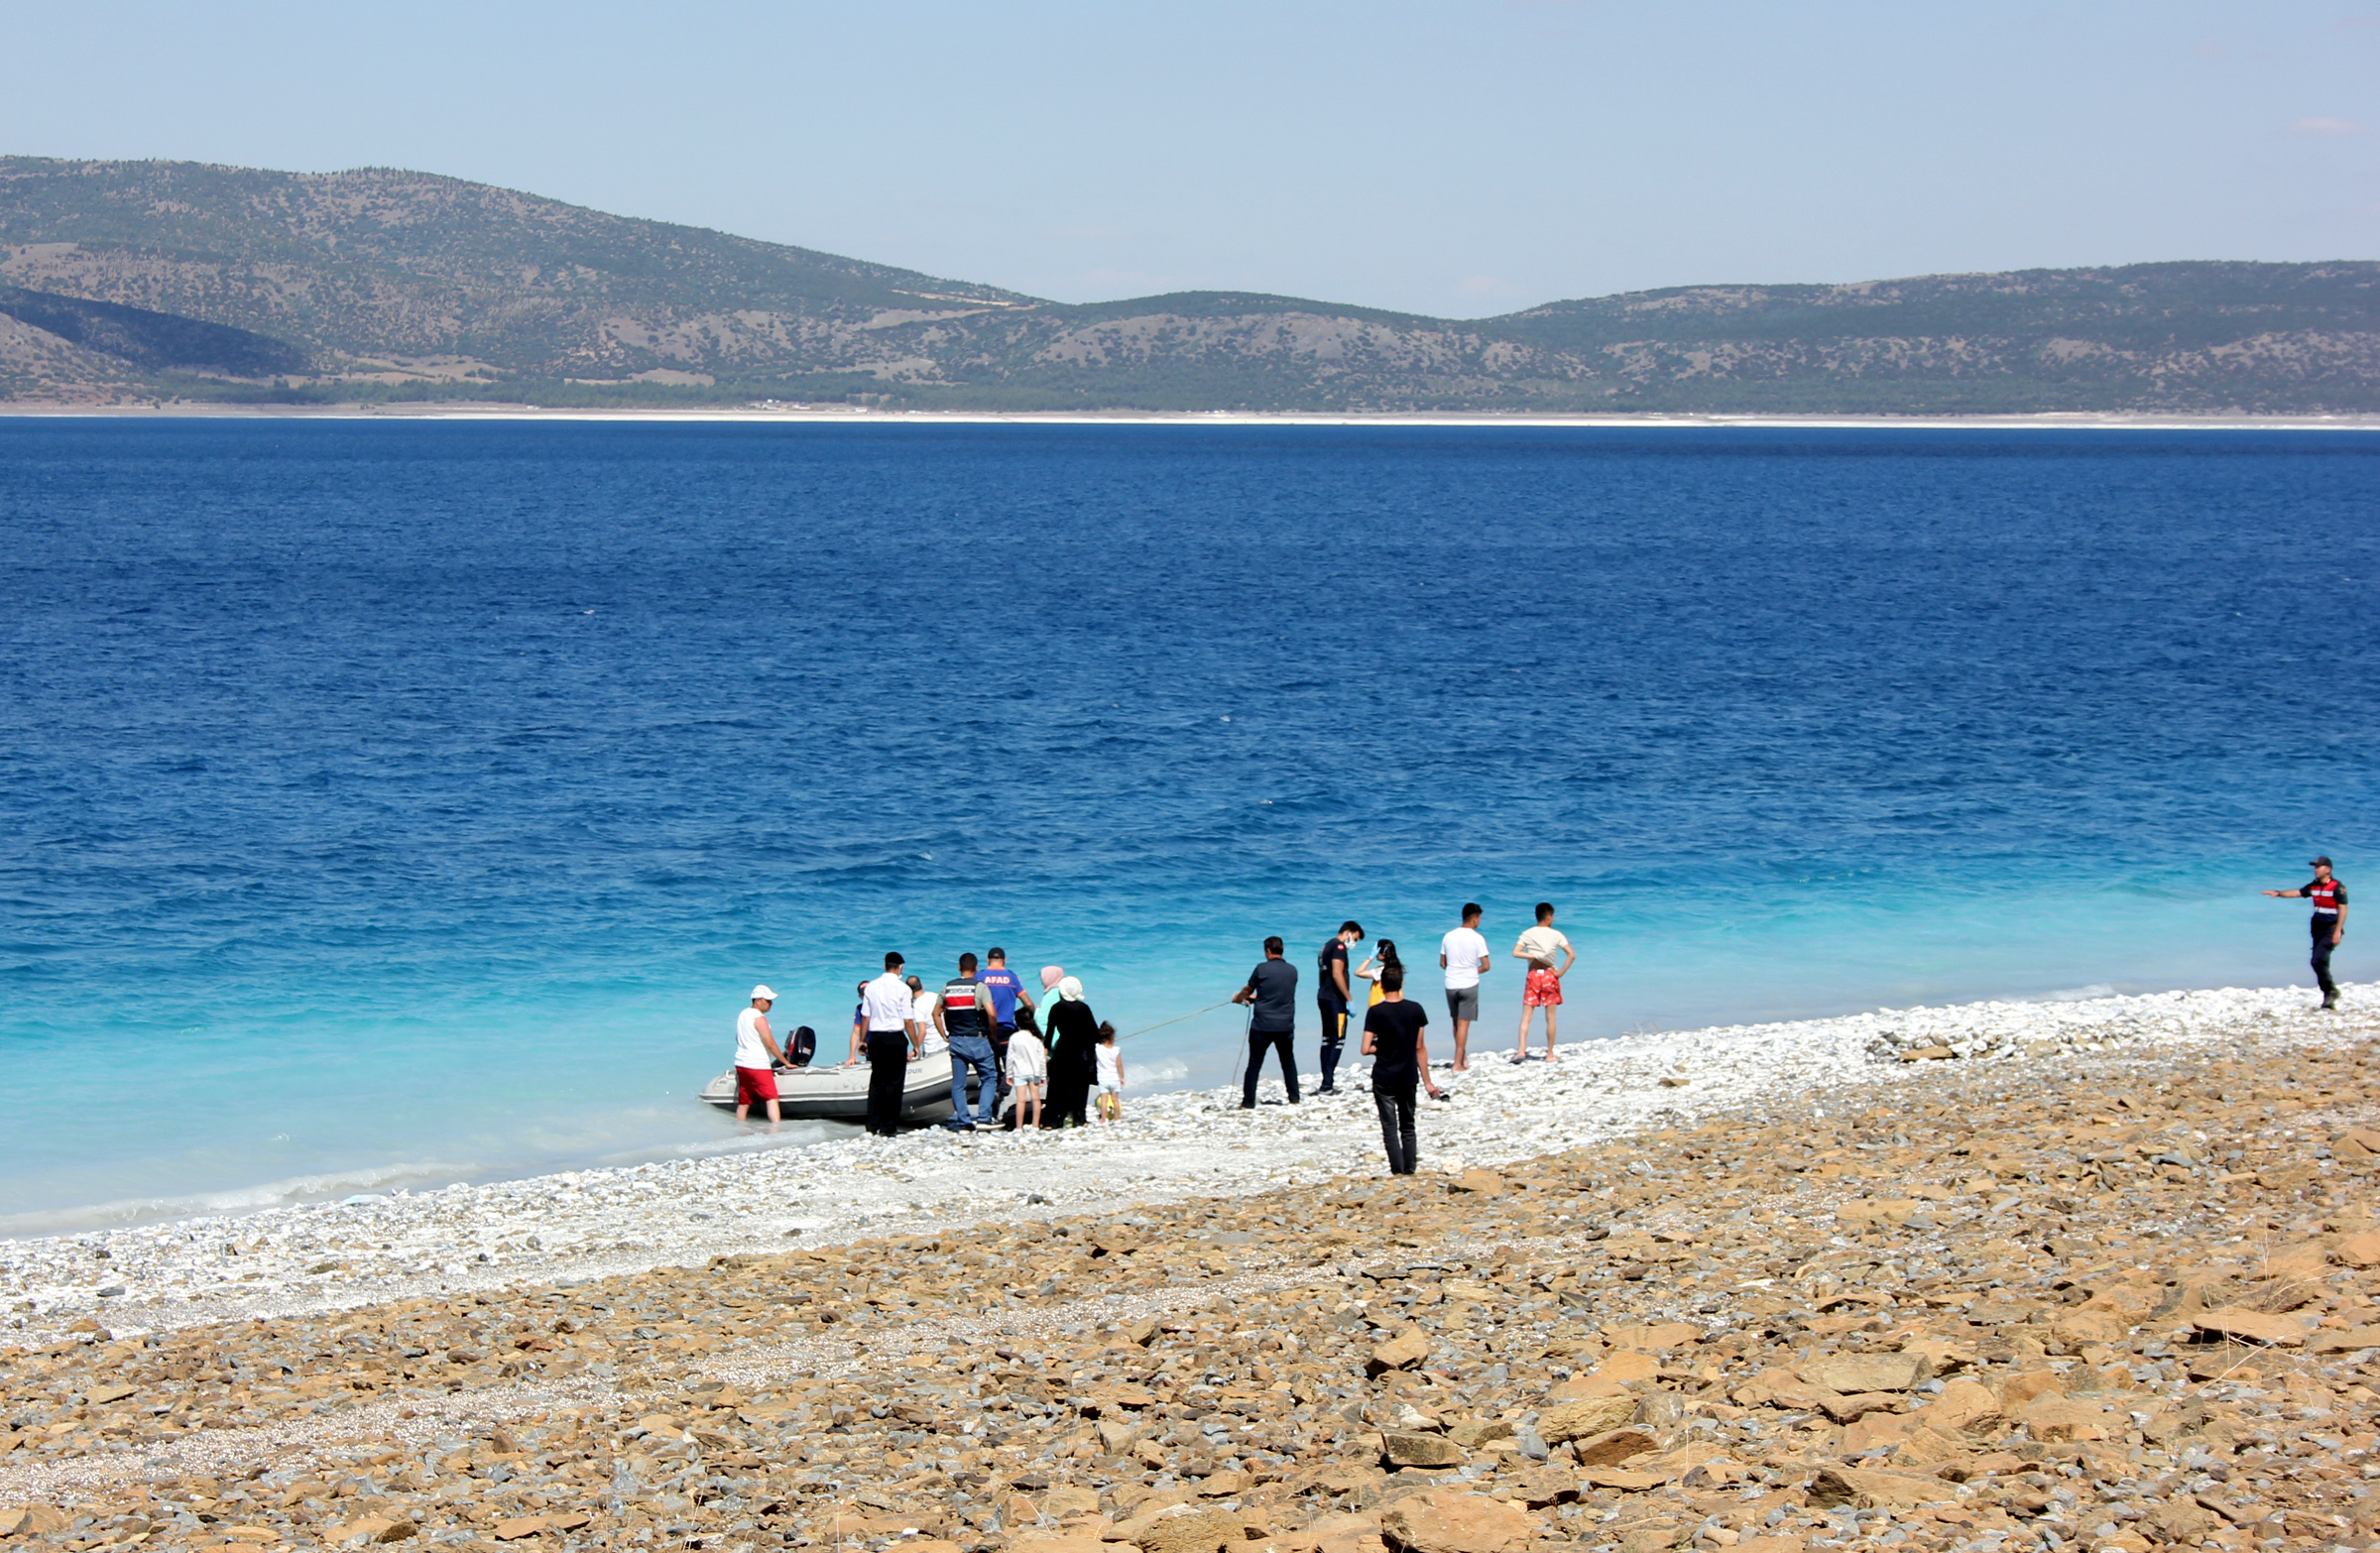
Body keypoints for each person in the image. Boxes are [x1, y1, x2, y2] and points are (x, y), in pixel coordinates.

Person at [1362, 965, 1442, 1175]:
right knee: (1408, 1125)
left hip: (1383, 1075)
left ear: (1381, 985)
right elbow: (1419, 1047)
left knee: (1389, 1127)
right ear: (1402, 984)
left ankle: (1397, 1171)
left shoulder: (1375, 1012)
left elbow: (1365, 1048)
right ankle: (1410, 1169)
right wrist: (1428, 1082)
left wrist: (1383, 1045)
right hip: (1408, 1075)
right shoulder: (1416, 1009)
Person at [2265, 857, 2349, 1011]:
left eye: (2318, 867)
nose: (2315, 869)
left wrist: (2338, 931)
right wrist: (2278, 893)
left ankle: (2330, 991)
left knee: (2318, 960)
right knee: (2319, 960)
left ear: (2328, 869)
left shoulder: (2337, 887)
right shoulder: (2314, 886)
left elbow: (2343, 908)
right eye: (2315, 867)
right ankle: (2329, 994)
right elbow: (2297, 893)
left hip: (2331, 927)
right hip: (2317, 927)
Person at [852, 952, 919, 1135]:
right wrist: (916, 1044)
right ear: (901, 967)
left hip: (877, 1038)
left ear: (884, 966)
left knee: (877, 1082)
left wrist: (864, 1040)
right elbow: (908, 1020)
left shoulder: (871, 987)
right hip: (896, 1038)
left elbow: (866, 1017)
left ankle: (872, 1124)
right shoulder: (903, 989)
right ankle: (888, 1126)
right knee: (894, 1083)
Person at [1232, 935, 1300, 1108]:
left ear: (1268, 951)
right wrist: (1255, 999)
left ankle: (1248, 1102)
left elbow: (1248, 990)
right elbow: (1276, 995)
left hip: (1262, 1025)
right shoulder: (1293, 970)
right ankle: (1294, 1098)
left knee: (1254, 1064)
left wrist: (1238, 999)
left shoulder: (1261, 969)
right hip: (1285, 1024)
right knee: (1288, 1062)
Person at [936, 953, 1000, 1132]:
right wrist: (993, 1034)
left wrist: (944, 1034)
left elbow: (936, 1012)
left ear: (959, 967)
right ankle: (984, 1117)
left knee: (958, 1083)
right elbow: (992, 1014)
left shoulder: (948, 987)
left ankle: (963, 1120)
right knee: (989, 1077)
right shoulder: (979, 987)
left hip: (956, 1039)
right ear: (976, 968)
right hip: (977, 1039)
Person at [1511, 902, 1576, 1061]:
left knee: (1526, 1015)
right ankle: (1549, 1054)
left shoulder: (1528, 933)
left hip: (1533, 975)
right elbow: (1571, 955)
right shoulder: (1556, 934)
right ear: (1549, 917)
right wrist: (1560, 972)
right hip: (1549, 975)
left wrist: (1532, 955)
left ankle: (1521, 1050)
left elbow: (1516, 952)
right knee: (1550, 1017)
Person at [978, 947, 1034, 1109]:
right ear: (1005, 960)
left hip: (985, 1029)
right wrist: (1027, 1020)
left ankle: (990, 1111)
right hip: (1006, 1029)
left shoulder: (979, 977)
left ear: (987, 960)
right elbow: (1028, 1003)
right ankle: (1002, 1092)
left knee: (990, 1071)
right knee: (1012, 1066)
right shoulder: (1012, 977)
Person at [1042, 976, 1100, 1128]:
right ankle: (1079, 1119)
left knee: (1056, 1086)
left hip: (1063, 1049)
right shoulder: (1084, 1008)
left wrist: (1045, 1050)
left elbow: (1049, 1033)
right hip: (1081, 1051)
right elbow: (1094, 1032)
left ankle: (1052, 1121)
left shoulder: (1056, 1008)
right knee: (1080, 1086)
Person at [1440, 902, 1490, 1072]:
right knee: (1463, 1025)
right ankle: (1457, 1063)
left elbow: (1442, 963)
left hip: (1451, 983)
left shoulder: (1448, 936)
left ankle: (1463, 1058)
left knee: (1455, 1022)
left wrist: (1455, 970)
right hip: (1468, 983)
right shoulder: (1477, 938)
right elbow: (1486, 965)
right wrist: (1472, 971)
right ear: (1475, 918)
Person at [1316, 920, 1365, 1094]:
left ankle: (1326, 1081)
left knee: (1327, 1040)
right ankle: (1327, 1084)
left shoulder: (1326, 946)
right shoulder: (1339, 948)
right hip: (1335, 1000)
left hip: (1323, 996)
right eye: (1355, 938)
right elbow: (1337, 973)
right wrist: (1349, 998)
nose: (1355, 943)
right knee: (1338, 1040)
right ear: (1349, 932)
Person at [733, 985, 787, 1124]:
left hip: (741, 1063)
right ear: (757, 1001)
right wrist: (785, 1062)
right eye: (768, 1001)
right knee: (772, 1099)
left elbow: (737, 1037)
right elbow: (770, 1044)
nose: (771, 1004)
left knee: (744, 1102)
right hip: (757, 1064)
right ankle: (776, 1129)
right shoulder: (759, 1018)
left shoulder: (743, 1014)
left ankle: (740, 1130)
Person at [1005, 1007, 1048, 1131]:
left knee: (1021, 1100)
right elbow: (1041, 1059)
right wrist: (1043, 1076)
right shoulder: (1036, 1038)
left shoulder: (1015, 1037)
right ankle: (1035, 1125)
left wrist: (1009, 1074)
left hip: (1019, 1072)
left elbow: (1010, 1058)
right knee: (1036, 1099)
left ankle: (1019, 1127)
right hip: (1034, 1072)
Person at [1355, 939, 1402, 1007]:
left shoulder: (1382, 970)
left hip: (1380, 1006)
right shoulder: (1395, 967)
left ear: (1383, 953)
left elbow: (1358, 972)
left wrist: (1370, 958)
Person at [1095, 1021, 1126, 1123]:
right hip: (1114, 1078)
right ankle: (1116, 1119)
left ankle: (1104, 1119)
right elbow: (1119, 1065)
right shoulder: (1116, 1050)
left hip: (1103, 1078)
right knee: (1115, 1100)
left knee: (1104, 1100)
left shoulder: (1098, 1048)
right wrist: (1122, 1077)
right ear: (1112, 1036)